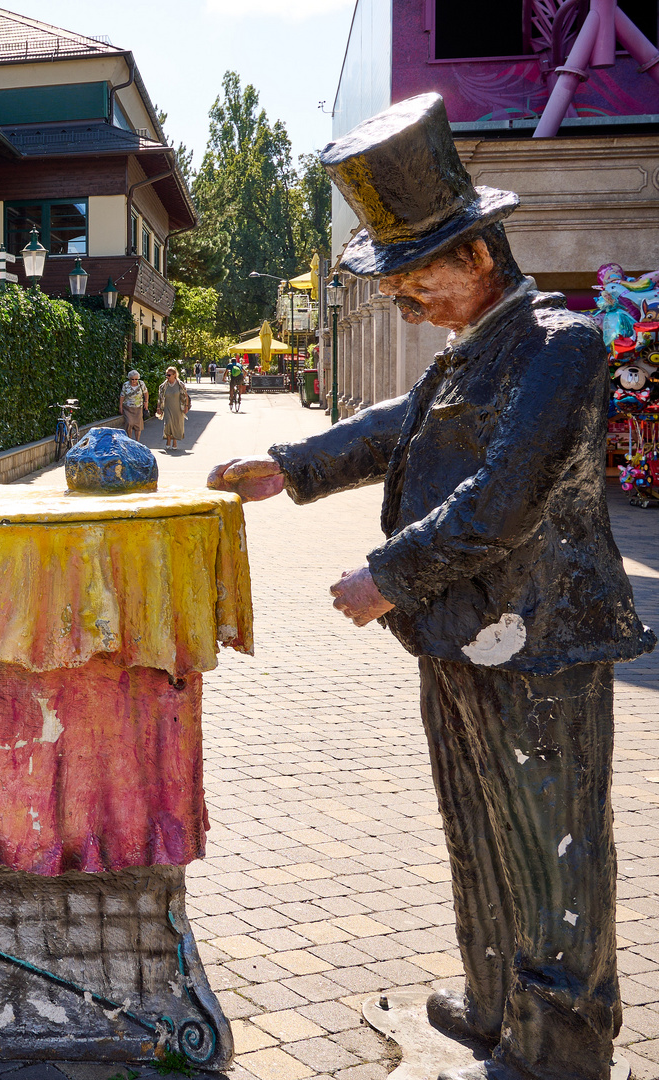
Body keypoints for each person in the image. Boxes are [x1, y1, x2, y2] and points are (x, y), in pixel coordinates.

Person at [209, 94, 653, 1080]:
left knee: (551, 844)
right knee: (478, 823)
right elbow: (391, 429)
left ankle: (560, 1042)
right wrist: (288, 464)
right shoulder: (476, 347)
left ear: (476, 257)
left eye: (415, 285)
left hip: (541, 642)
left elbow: (505, 502)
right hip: (461, 633)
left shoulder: (559, 343)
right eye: (399, 290)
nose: (406, 307)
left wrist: (385, 574)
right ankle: (497, 999)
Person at [156, 365, 189, 450]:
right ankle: (168, 440)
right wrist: (159, 408)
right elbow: (159, 398)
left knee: (176, 425)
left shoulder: (180, 384)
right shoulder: (163, 386)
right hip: (167, 407)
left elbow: (185, 396)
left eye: (169, 375)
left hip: (178, 408)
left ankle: (174, 442)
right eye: (166, 375)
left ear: (174, 375)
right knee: (168, 424)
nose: (167, 377)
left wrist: (186, 406)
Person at [119, 369, 148, 440]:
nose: (134, 381)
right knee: (129, 423)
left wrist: (146, 402)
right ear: (129, 378)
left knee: (138, 425)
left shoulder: (141, 384)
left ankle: (137, 441)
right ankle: (130, 440)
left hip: (138, 408)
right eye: (132, 379)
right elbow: (122, 395)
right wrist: (120, 406)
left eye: (136, 379)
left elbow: (146, 393)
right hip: (128, 407)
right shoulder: (126, 385)